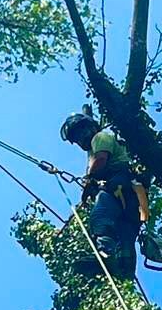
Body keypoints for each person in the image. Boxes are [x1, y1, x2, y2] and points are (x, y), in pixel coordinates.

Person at [60, 109, 142, 278]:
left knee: (101, 214)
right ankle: (124, 267)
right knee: (125, 231)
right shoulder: (93, 149)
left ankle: (105, 254)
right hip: (131, 196)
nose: (80, 139)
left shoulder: (100, 137)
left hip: (121, 182)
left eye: (81, 133)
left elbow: (101, 160)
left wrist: (89, 179)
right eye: (76, 138)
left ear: (90, 127)